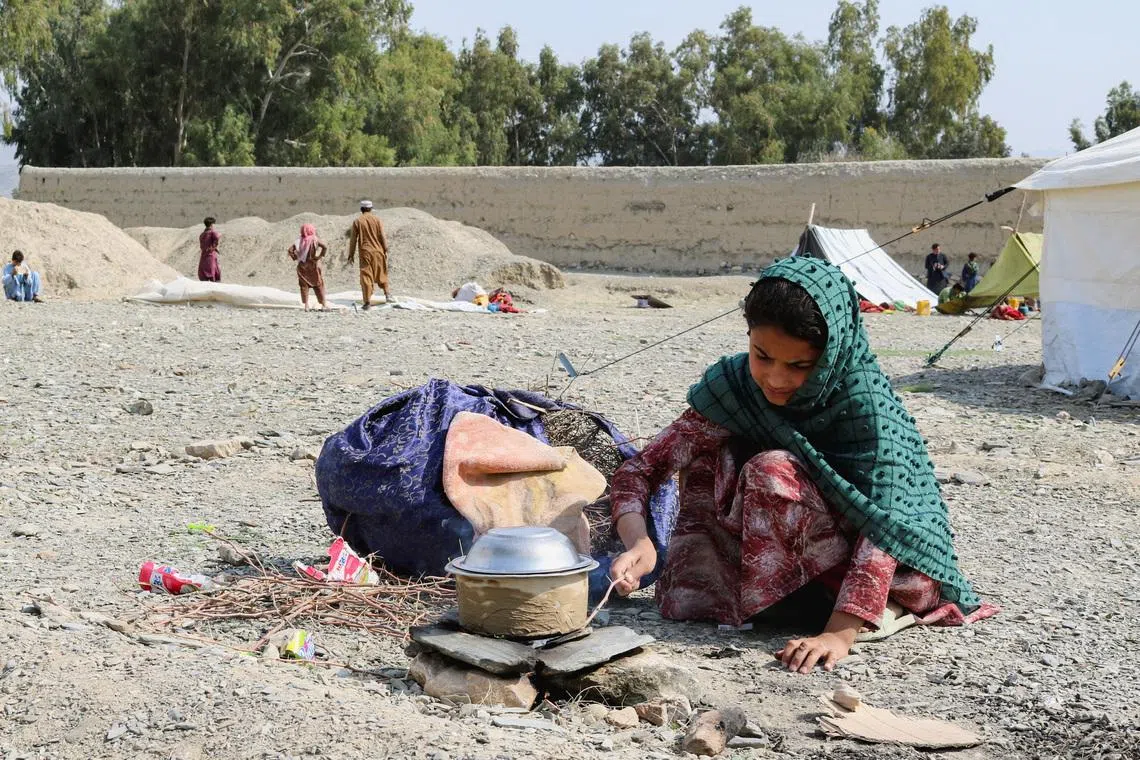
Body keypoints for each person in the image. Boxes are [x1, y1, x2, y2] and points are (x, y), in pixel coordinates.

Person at [608, 257, 995, 674]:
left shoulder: (866, 406)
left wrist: (839, 633)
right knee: (708, 454)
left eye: (800, 366)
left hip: (889, 569)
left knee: (770, 469)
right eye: (763, 356)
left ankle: (856, 609)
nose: (775, 379)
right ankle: (768, 603)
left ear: (830, 357)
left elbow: (886, 529)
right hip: (792, 568)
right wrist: (640, 543)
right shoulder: (735, 388)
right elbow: (642, 469)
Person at [346, 200, 390, 309]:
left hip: (365, 252)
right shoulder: (377, 220)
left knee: (366, 275)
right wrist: (385, 249)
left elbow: (353, 240)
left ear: (361, 209)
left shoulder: (358, 221)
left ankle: (367, 302)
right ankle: (387, 294)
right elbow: (382, 236)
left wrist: (351, 254)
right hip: (378, 251)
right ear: (371, 208)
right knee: (381, 272)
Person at [288, 223, 329, 311]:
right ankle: (323, 304)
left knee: (304, 286)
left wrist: (296, 257)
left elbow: (290, 250)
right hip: (313, 266)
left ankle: (306, 306)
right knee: (319, 285)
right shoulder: (314, 240)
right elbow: (325, 247)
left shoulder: (298, 241)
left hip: (302, 267)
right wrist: (320, 256)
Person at [198, 217, 221, 282]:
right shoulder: (212, 233)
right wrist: (213, 247)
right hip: (211, 255)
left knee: (205, 271)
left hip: (203, 255)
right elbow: (217, 238)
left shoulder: (202, 234)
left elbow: (202, 245)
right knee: (212, 270)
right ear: (211, 224)